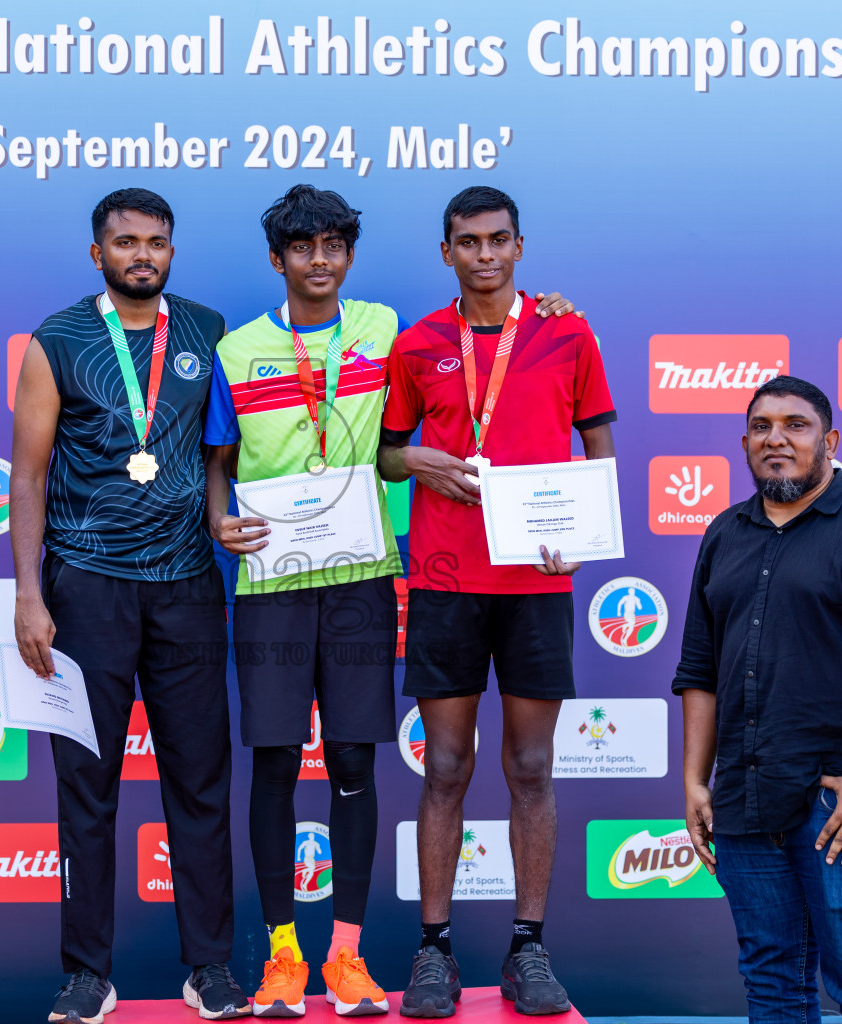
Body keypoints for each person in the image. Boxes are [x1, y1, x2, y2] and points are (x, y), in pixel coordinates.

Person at [204, 185, 575, 1019]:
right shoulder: (239, 349)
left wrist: (549, 307)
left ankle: (346, 957)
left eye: (335, 245)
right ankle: (281, 957)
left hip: (363, 584)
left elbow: (485, 336)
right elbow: (219, 459)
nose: (320, 260)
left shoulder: (389, 334)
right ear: (278, 260)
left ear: (350, 256)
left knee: (353, 765)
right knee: (271, 764)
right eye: (303, 248)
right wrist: (216, 516)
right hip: (270, 581)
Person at [11, 188, 249, 1023]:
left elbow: (244, 436)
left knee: (200, 784)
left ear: (172, 253)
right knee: (88, 786)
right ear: (98, 254)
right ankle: (88, 975)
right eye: (124, 242)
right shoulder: (59, 340)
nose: (141, 254)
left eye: (155, 242)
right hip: (85, 588)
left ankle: (209, 968)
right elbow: (29, 477)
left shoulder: (210, 331)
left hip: (187, 584)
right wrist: (30, 595)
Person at [378, 186, 616, 1018]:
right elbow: (386, 454)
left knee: (531, 767)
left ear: (520, 246)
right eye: (467, 242)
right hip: (445, 579)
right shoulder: (418, 344)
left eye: (498, 240)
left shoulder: (567, 331)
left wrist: (587, 530)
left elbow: (598, 441)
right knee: (444, 767)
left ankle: (528, 949)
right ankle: (434, 952)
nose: (484, 254)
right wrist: (425, 465)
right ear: (446, 252)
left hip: (537, 581)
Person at [672, 376, 842, 1024]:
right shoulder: (723, 536)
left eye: (795, 424)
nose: (777, 438)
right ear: (744, 443)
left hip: (841, 806)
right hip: (744, 800)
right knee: (774, 989)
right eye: (763, 426)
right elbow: (700, 671)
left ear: (830, 440)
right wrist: (693, 780)